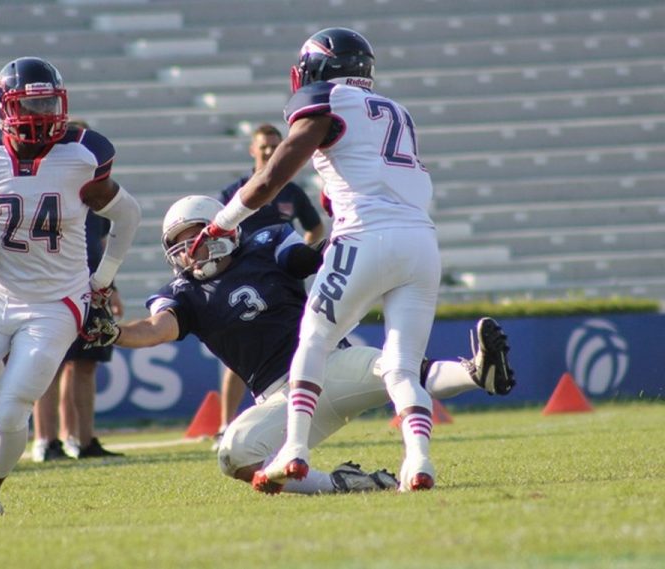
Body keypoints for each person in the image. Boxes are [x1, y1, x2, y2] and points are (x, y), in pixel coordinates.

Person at [84, 195, 515, 495]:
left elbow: (307, 260)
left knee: (402, 370)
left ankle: (477, 372)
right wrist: (116, 332)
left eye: (194, 236)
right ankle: (349, 484)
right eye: (178, 244)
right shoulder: (183, 293)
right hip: (280, 398)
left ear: (222, 230)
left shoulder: (267, 243)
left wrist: (341, 236)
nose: (188, 251)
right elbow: (158, 328)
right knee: (234, 456)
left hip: (332, 362)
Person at [190, 27, 465, 492]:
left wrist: (222, 223)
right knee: (401, 363)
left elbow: (273, 174)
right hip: (421, 241)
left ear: (316, 67)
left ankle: (294, 450)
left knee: (313, 340)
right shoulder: (394, 110)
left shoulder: (325, 100)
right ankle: (418, 461)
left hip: (365, 236)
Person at [0, 57, 141, 518]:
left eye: (48, 101)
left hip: (57, 302)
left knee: (13, 408)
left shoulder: (83, 154)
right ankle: (5, 367)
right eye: (30, 103)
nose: (40, 113)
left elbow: (127, 215)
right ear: (3, 107)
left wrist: (100, 282)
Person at [215, 123, 326, 441]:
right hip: (244, 283)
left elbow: (315, 228)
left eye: (274, 145)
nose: (268, 151)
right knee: (239, 356)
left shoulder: (291, 191)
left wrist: (298, 255)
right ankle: (225, 426)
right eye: (263, 146)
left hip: (283, 282)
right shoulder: (233, 191)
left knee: (296, 348)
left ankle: (297, 419)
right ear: (252, 149)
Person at [32, 210, 125, 462]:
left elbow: (102, 246)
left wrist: (111, 287)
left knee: (86, 364)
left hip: (92, 290)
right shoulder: (55, 194)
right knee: (51, 366)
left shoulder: (95, 200)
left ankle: (84, 440)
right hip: (56, 290)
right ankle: (46, 440)